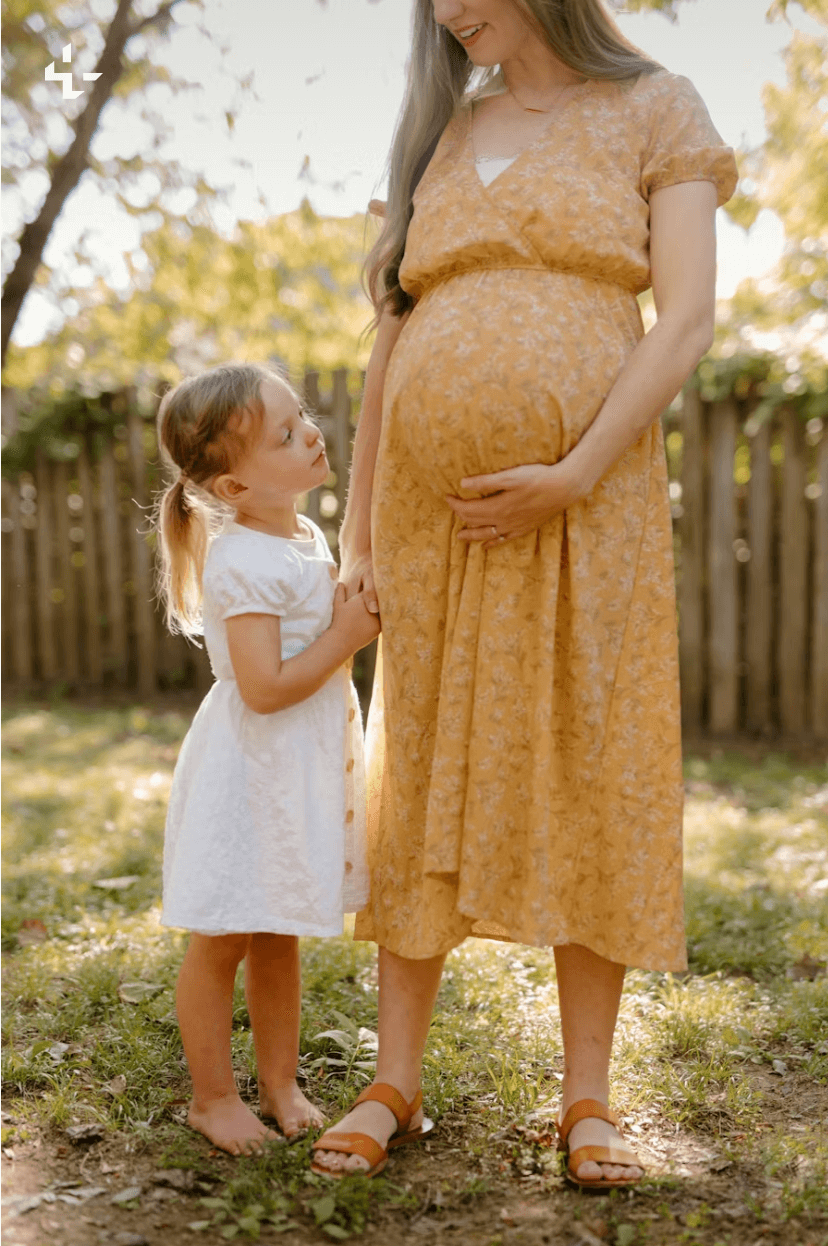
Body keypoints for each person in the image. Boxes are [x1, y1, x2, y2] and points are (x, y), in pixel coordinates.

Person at [311, 0, 737, 1191]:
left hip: (586, 499)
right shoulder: (443, 127)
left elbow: (687, 315)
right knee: (425, 749)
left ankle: (588, 1094)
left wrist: (575, 468)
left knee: (590, 751)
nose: (446, 11)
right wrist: (357, 524)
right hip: (426, 515)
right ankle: (396, 1075)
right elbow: (394, 333)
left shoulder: (657, 106)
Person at [155, 363, 380, 1156]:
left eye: (302, 417)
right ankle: (213, 1098)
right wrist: (346, 640)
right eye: (284, 435)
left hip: (296, 775)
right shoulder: (244, 559)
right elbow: (264, 687)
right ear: (232, 487)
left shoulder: (302, 536)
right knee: (222, 936)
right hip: (251, 777)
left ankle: (281, 1084)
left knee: (278, 927)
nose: (310, 433)